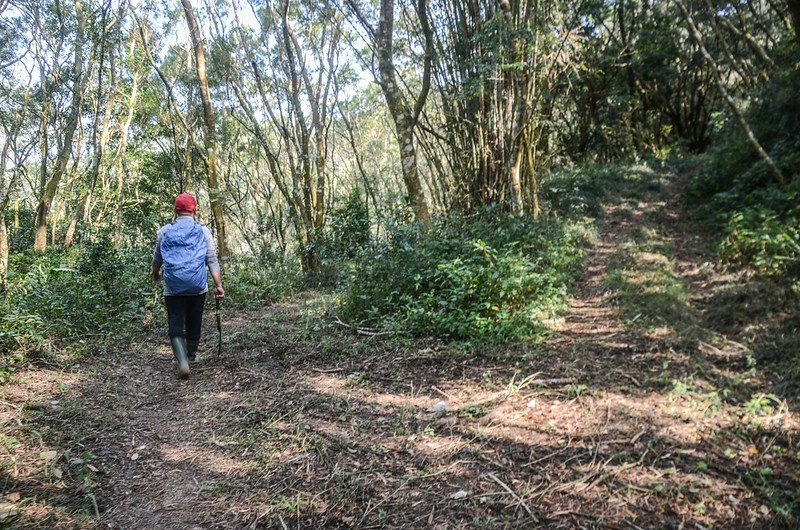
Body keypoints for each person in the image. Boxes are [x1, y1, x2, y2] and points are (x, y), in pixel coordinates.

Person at [151, 193, 224, 379]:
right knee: (194, 320)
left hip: (173, 287)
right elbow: (211, 260)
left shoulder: (165, 231)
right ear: (194, 209)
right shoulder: (203, 231)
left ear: (175, 209)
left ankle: (182, 362)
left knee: (175, 322)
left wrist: (155, 274)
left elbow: (157, 258)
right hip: (197, 286)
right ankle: (191, 356)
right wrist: (218, 285)